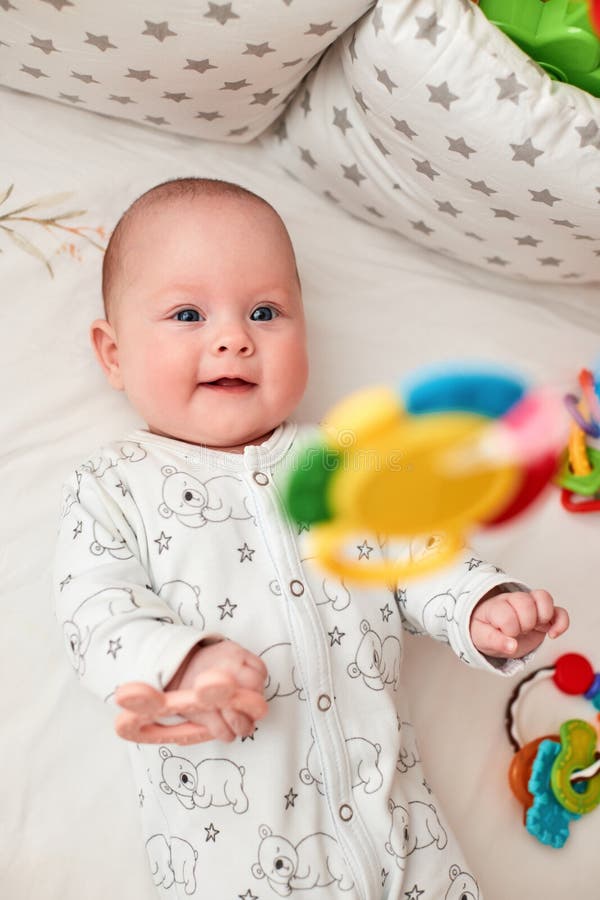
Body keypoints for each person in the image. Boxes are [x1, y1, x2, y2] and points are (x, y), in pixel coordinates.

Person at [54, 176, 569, 899]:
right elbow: (96, 617)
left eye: (265, 312)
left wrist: (481, 604)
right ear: (113, 354)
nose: (233, 336)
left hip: (407, 841)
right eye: (188, 314)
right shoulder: (115, 484)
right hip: (239, 861)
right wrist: (182, 661)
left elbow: (418, 557)